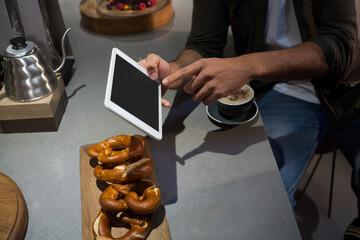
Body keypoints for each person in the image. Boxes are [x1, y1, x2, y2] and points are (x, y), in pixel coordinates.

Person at [139, 0, 360, 238]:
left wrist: (245, 65)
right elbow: (204, 44)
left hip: (347, 86)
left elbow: (340, 45)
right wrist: (172, 71)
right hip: (280, 89)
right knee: (264, 199)